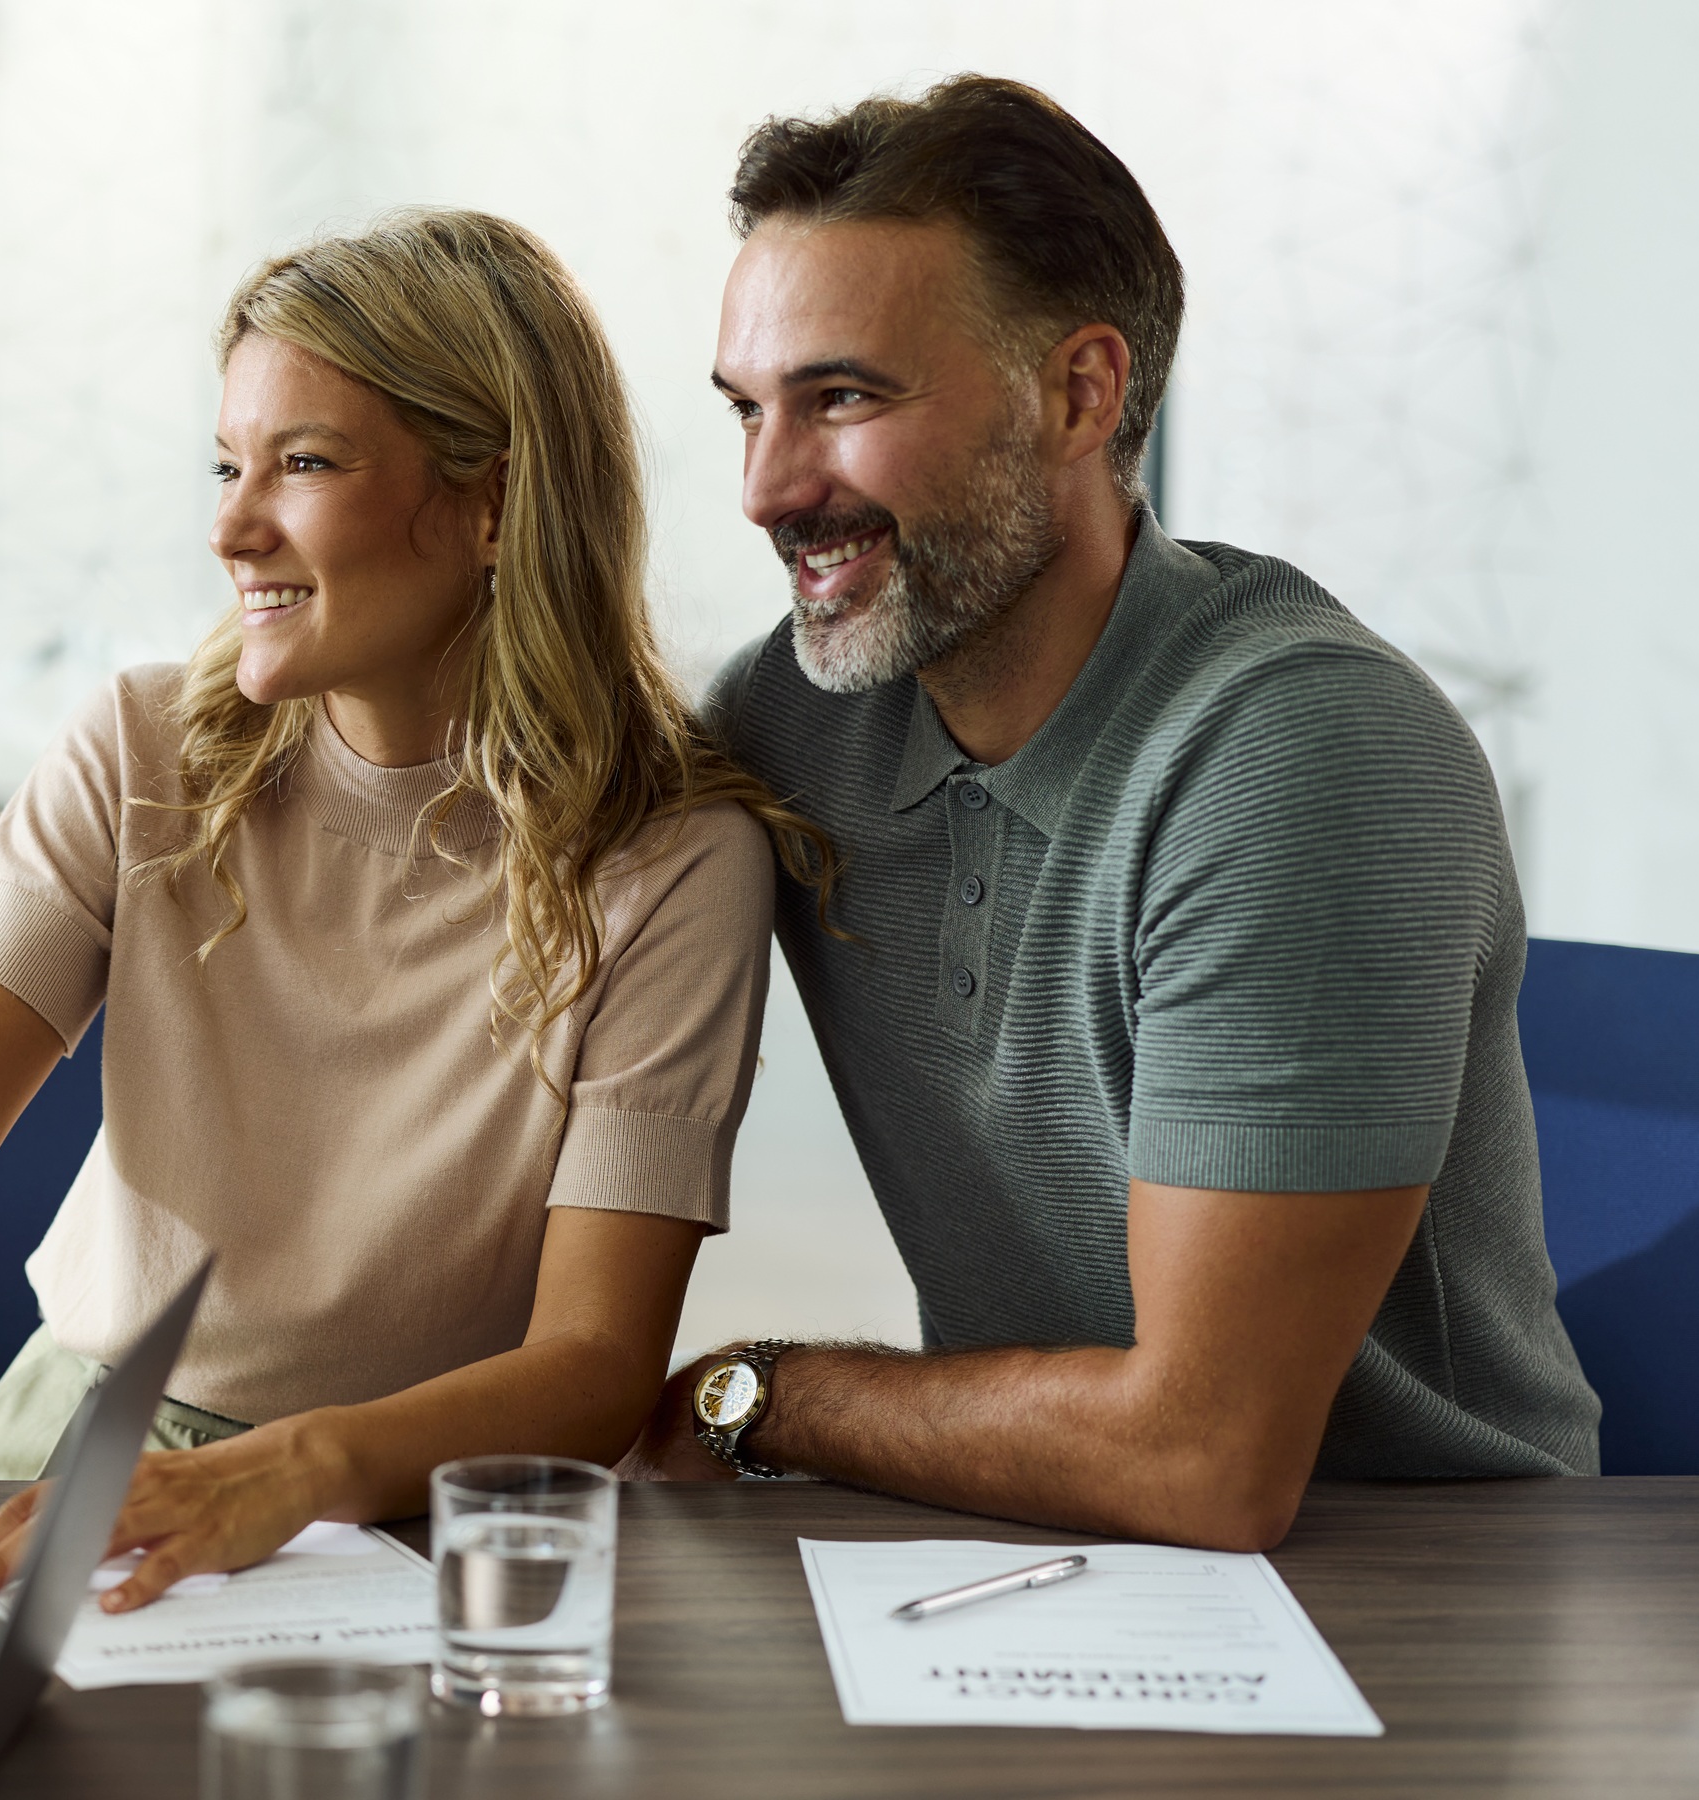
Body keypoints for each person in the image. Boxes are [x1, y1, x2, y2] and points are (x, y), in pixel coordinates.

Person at [0, 208, 830, 1613]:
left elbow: (590, 1363)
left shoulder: (676, 862)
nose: (231, 526)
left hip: (426, 1503)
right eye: (228, 464)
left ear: (493, 504)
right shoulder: (137, 748)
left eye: (303, 463)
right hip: (79, 1450)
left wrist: (287, 1475)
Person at [634, 77, 1599, 1543]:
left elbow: (1202, 1460)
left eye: (843, 398)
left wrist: (763, 1397)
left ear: (1081, 394)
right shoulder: (796, 715)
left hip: (1424, 1586)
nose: (769, 489)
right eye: (748, 411)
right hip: (1037, 1545)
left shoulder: (1301, 753)